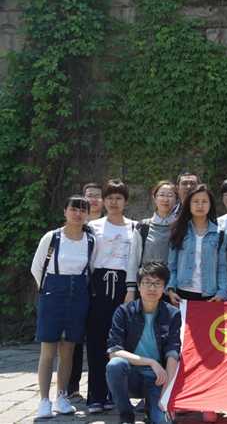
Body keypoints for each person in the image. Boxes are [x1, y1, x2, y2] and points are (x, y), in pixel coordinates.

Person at [31, 196, 96, 419]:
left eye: (83, 210)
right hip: (53, 294)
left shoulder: (90, 240)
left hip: (78, 295)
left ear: (87, 214)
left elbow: (91, 268)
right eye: (74, 209)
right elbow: (36, 268)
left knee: (68, 350)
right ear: (65, 211)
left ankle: (62, 396)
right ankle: (43, 400)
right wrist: (48, 292)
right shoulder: (52, 237)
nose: (78, 213)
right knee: (48, 349)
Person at [86, 179, 140, 413]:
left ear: (125, 201)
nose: (114, 202)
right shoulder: (93, 226)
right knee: (96, 340)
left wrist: (131, 289)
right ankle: (95, 396)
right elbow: (88, 259)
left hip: (124, 286)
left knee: (120, 341)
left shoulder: (135, 227)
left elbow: (135, 260)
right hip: (98, 286)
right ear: (104, 201)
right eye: (109, 198)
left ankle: (114, 394)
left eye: (118, 198)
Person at [106, 261, 181, 424]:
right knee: (115, 365)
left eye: (157, 283)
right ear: (139, 286)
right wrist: (151, 362)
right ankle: (126, 415)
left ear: (164, 288)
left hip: (158, 378)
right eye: (147, 282)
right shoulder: (124, 311)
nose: (152, 288)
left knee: (163, 421)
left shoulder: (173, 314)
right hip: (131, 374)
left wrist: (166, 394)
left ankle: (151, 407)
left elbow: (173, 353)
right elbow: (114, 351)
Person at [68, 183, 103, 398]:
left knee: (99, 339)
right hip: (80, 287)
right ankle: (72, 386)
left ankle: (99, 387)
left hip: (101, 287)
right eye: (89, 196)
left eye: (97, 196)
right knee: (75, 338)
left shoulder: (108, 225)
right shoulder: (76, 226)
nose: (93, 199)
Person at [166, 184, 227, 304]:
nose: (200, 205)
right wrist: (170, 289)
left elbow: (222, 267)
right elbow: (172, 265)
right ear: (189, 205)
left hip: (210, 295)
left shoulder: (219, 234)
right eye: (195, 201)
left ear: (210, 205)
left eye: (204, 201)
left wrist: (221, 292)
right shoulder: (179, 230)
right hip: (181, 293)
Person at [130, 181, 178, 268]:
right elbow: (133, 260)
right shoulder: (143, 227)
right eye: (162, 195)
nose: (165, 199)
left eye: (170, 196)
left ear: (176, 200)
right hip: (148, 276)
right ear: (155, 198)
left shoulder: (181, 227)